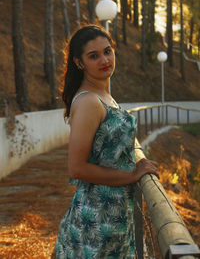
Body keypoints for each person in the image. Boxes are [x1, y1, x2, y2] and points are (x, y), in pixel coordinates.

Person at [55, 24, 159, 258]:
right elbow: (77, 168)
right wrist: (132, 175)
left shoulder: (104, 95)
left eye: (107, 51)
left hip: (115, 215)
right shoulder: (89, 101)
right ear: (79, 63)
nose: (104, 60)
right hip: (97, 219)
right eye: (94, 56)